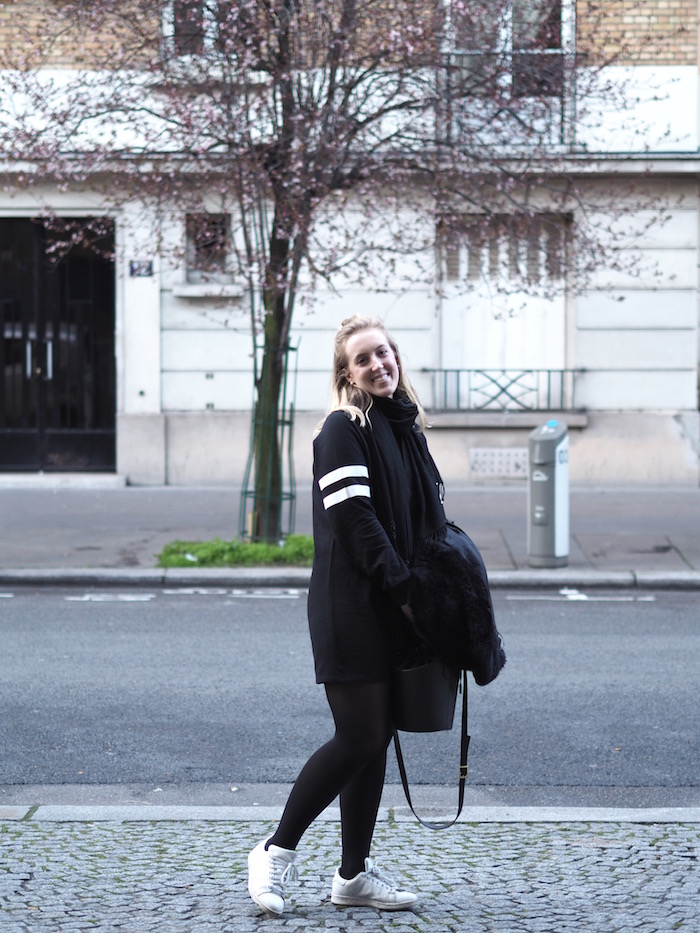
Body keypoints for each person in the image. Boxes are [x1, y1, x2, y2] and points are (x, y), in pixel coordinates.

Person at [247, 315, 447, 916]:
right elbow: (354, 520)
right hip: (352, 604)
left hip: (394, 604)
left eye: (383, 352)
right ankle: (274, 851)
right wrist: (406, 588)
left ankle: (353, 877)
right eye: (363, 359)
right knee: (359, 732)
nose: (378, 365)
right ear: (346, 374)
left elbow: (423, 519)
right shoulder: (343, 427)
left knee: (376, 738)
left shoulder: (403, 427)